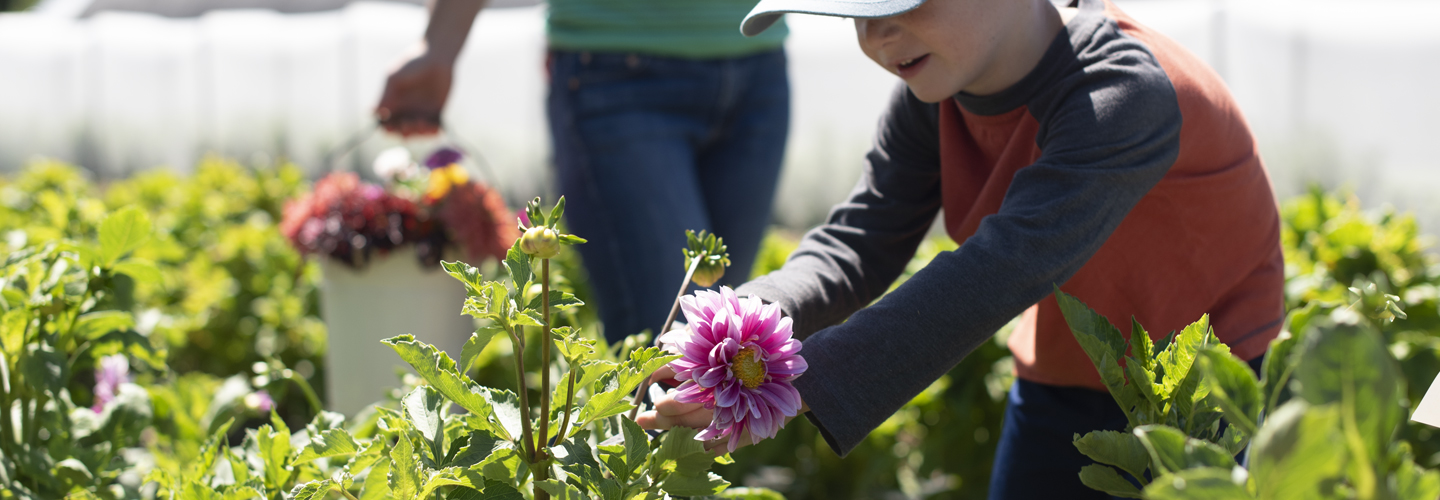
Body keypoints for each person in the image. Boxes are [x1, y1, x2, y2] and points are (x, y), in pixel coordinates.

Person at [636, 0, 1283, 497]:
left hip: (1208, 383)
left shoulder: (1124, 94)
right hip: (1064, 370)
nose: (878, 36)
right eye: (856, 14)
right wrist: (739, 324)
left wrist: (796, 380)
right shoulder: (937, 94)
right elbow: (859, 240)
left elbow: (1001, 268)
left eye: (902, 3)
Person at [375, 0, 791, 343]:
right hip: (614, 71)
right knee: (672, 348)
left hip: (761, 65)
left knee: (725, 340)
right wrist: (440, 44)